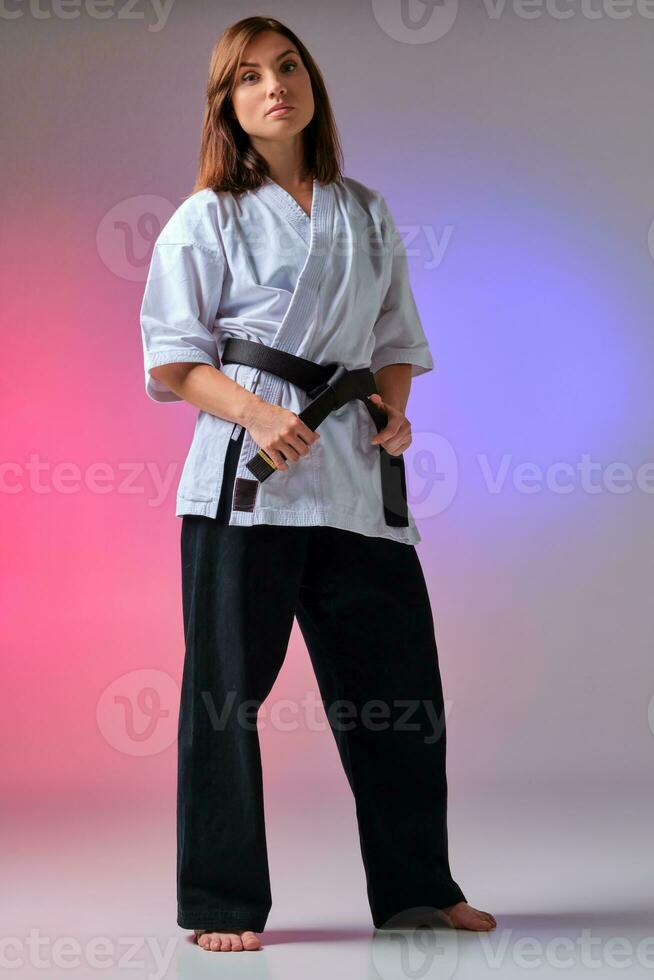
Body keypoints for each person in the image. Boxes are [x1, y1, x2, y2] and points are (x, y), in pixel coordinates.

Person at [140, 15, 496, 954]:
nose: (273, 87)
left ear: (310, 84)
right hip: (248, 483)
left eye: (287, 68)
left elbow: (392, 343)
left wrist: (393, 410)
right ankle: (221, 899)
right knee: (226, 693)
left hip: (349, 479)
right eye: (249, 78)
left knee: (399, 691)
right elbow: (176, 359)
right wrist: (259, 416)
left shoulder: (364, 210)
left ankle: (418, 888)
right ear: (228, 105)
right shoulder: (206, 215)